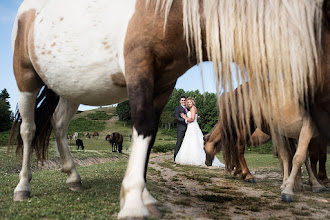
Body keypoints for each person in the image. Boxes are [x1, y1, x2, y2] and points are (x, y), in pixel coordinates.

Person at [175, 97, 225, 168]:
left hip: (192, 127)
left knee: (194, 142)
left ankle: (195, 158)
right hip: (191, 127)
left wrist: (184, 117)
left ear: (192, 102)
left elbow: (192, 119)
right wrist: (195, 117)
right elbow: (195, 117)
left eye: (190, 102)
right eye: (188, 102)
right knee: (191, 142)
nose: (189, 104)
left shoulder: (192, 108)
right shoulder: (193, 108)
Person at [174, 95, 188, 161]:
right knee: (179, 142)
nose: (183, 101)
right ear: (180, 101)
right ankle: (176, 157)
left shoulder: (188, 109)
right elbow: (177, 118)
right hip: (181, 128)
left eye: (184, 100)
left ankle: (184, 157)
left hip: (188, 128)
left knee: (187, 143)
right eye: (182, 100)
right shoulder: (178, 108)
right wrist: (185, 120)